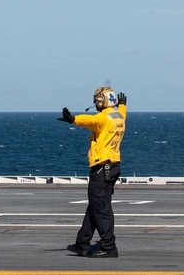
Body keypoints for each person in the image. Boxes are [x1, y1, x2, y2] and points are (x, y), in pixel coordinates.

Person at [58, 86, 126, 258]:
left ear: (103, 100)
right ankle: (82, 244)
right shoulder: (118, 116)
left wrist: (73, 119)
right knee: (95, 206)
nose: (96, 103)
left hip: (102, 168)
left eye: (97, 100)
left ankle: (109, 247)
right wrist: (123, 105)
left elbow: (91, 121)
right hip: (113, 166)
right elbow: (121, 114)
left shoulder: (104, 118)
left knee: (101, 208)